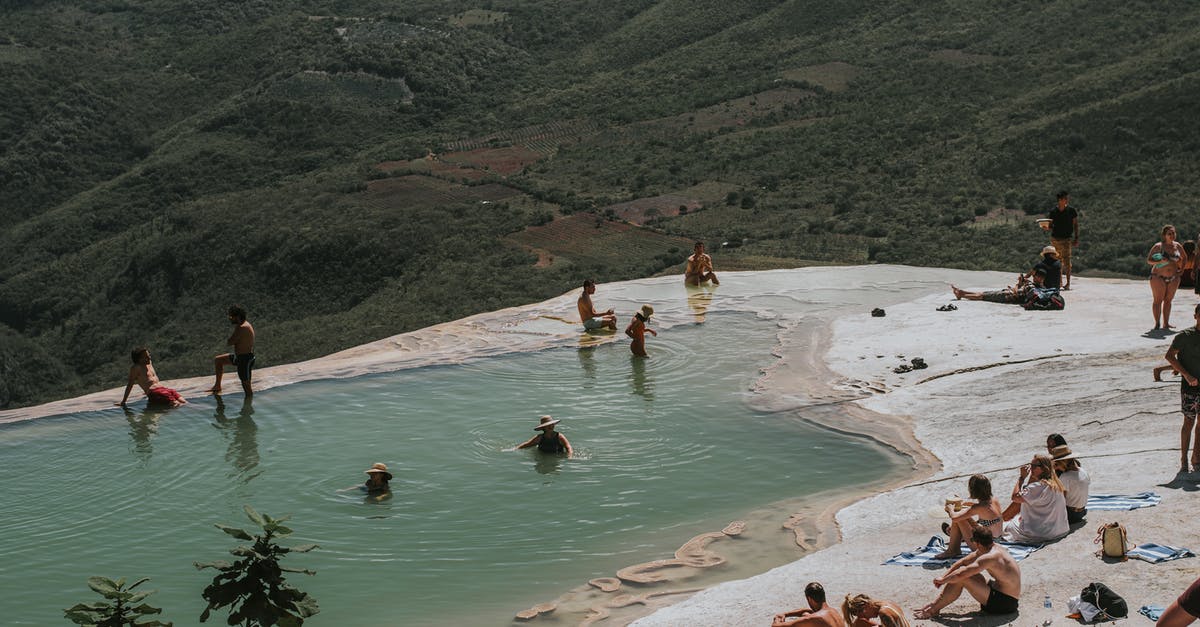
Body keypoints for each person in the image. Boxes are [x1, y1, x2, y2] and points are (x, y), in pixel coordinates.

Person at [912, 526, 1021, 619]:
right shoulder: (991, 548)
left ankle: (933, 609)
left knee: (963, 578)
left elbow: (961, 574)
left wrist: (944, 580)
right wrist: (943, 576)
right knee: (964, 571)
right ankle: (934, 606)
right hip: (1001, 593)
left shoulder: (990, 557)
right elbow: (963, 562)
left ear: (977, 543)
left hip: (1005, 603)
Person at [1164, 303, 1200, 473]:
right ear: (1195, 316)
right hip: (1190, 388)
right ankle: (1184, 459)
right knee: (1188, 423)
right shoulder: (1185, 336)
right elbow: (1169, 356)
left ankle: (1196, 457)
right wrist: (1186, 374)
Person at [934, 474, 1004, 560]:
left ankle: (952, 550)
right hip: (995, 542)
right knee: (962, 517)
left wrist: (950, 509)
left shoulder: (978, 507)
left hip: (985, 547)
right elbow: (986, 510)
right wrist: (970, 504)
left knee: (958, 518)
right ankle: (955, 539)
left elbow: (954, 518)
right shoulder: (994, 500)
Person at [1001, 454, 1068, 543]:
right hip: (1061, 530)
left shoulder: (1037, 487)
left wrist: (1021, 478)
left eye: (1034, 466)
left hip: (1044, 534)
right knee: (1019, 518)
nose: (1031, 468)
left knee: (1007, 526)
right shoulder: (1056, 484)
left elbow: (1015, 497)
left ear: (1043, 468)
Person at [117, 347, 187, 408]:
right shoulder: (136, 368)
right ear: (139, 359)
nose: (149, 358)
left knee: (185, 403)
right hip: (155, 393)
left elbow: (148, 379)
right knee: (177, 405)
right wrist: (123, 401)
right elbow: (130, 384)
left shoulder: (149, 362)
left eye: (149, 355)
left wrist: (145, 390)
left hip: (165, 390)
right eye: (146, 357)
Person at [210, 305, 255, 396]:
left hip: (245, 359)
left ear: (237, 317)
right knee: (218, 360)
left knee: (246, 387)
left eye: (231, 317)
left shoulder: (242, 327)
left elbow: (230, 342)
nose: (230, 319)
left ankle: (248, 408)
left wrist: (231, 339)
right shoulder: (241, 325)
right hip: (239, 357)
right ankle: (217, 386)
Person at [1149, 225, 1186, 330]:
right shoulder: (1158, 246)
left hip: (1174, 277)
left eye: (1173, 233)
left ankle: (1166, 323)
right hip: (1158, 277)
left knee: (1168, 301)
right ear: (1164, 235)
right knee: (1157, 300)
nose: (1172, 235)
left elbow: (1184, 258)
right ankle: (1157, 323)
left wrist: (1182, 270)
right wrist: (1160, 261)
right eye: (1169, 234)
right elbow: (1149, 260)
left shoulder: (1177, 246)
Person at [951, 269, 1047, 304]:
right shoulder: (1042, 288)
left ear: (1038, 277)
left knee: (982, 296)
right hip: (1009, 294)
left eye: (1035, 276)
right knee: (983, 294)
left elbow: (1017, 293)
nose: (1033, 277)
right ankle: (961, 292)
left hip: (1008, 296)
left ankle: (961, 295)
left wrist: (1018, 284)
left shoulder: (1031, 285)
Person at [773, 582, 846, 627]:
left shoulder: (815, 618)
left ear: (809, 599)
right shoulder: (833, 611)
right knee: (805, 614)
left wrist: (777, 618)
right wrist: (785, 614)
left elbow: (776, 626)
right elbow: (808, 611)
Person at [1047, 190, 1079, 290]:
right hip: (1055, 238)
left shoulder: (1071, 211)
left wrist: (1076, 237)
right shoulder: (1053, 212)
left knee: (1067, 261)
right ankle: (1059, 282)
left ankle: (1068, 283)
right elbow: (1051, 226)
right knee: (1057, 261)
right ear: (1060, 200)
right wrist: (1046, 227)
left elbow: (1075, 224)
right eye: (1065, 198)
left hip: (1067, 239)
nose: (1067, 200)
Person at [1050, 445, 1090, 524]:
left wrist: (1052, 472)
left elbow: (1060, 501)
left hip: (1071, 515)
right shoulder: (1083, 471)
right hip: (1082, 512)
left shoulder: (1065, 477)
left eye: (1056, 464)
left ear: (1062, 463)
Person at [842, 593, 910, 627]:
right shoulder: (888, 603)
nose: (868, 618)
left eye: (865, 616)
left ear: (866, 606)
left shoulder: (884, 613)